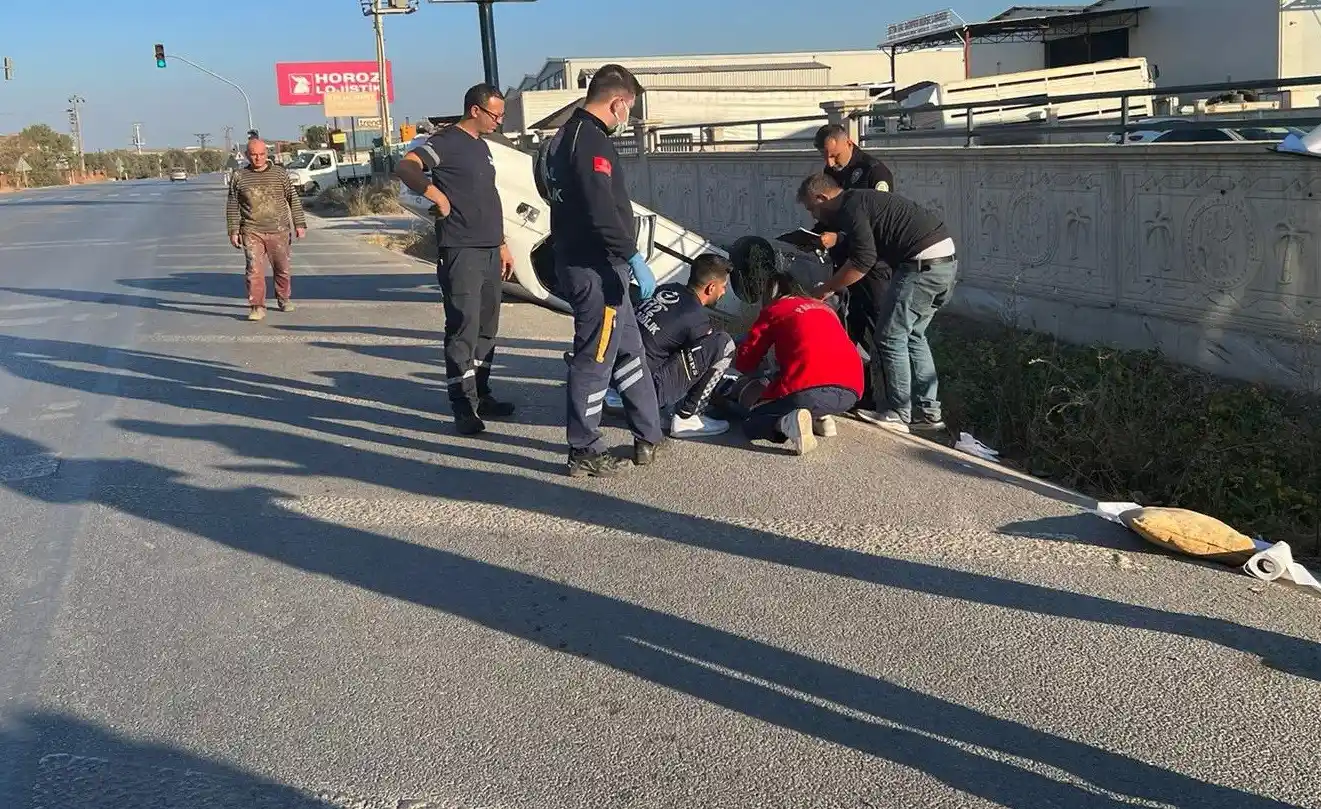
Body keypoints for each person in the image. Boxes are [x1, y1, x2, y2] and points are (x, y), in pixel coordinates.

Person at [539, 63, 664, 477]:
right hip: (595, 267)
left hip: (596, 265)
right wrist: (632, 256)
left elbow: (548, 187)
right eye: (630, 108)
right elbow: (600, 209)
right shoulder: (591, 140)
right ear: (619, 102)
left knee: (629, 351)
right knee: (595, 356)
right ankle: (583, 447)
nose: (628, 118)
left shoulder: (562, 136)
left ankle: (648, 434)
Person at [395, 83, 517, 436]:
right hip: (461, 250)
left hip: (491, 250)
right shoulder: (447, 142)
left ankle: (482, 392)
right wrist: (436, 195)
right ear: (475, 110)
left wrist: (502, 242)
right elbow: (406, 167)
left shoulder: (483, 147)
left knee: (486, 328)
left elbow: (486, 197)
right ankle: (463, 406)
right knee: (463, 327)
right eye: (495, 114)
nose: (499, 120)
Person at [797, 172, 958, 434]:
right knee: (914, 335)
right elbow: (867, 241)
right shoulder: (861, 201)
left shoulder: (852, 207)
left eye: (812, 208)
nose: (813, 216)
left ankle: (898, 413)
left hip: (919, 266)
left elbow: (863, 261)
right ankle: (930, 415)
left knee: (889, 336)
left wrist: (826, 289)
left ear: (821, 197)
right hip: (944, 264)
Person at [810, 124, 895, 411]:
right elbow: (829, 218)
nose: (829, 163)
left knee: (883, 331)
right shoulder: (831, 174)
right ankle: (861, 395)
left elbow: (876, 227)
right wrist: (814, 236)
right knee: (850, 334)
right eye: (825, 157)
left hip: (873, 268)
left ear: (848, 141)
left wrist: (840, 237)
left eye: (833, 155)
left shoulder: (875, 173)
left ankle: (896, 403)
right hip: (845, 266)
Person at [733, 271, 864, 455]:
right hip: (852, 390)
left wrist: (739, 367)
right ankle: (821, 418)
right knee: (802, 372)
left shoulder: (775, 309)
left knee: (752, 423)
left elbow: (747, 359)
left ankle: (787, 422)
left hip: (809, 386)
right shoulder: (825, 309)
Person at [636, 254, 736, 439]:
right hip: (645, 391)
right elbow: (701, 365)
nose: (723, 292)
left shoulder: (666, 289)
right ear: (711, 287)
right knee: (723, 343)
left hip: (618, 375)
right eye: (724, 287)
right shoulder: (697, 317)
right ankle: (688, 417)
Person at [225, 138, 306, 322]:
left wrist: (299, 224)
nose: (258, 158)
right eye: (253, 155)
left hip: (279, 229)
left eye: (261, 154)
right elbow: (232, 204)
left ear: (267, 154)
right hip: (252, 230)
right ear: (247, 155)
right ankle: (257, 306)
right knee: (253, 269)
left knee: (282, 268)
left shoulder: (279, 174)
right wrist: (233, 230)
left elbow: (293, 199)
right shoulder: (239, 177)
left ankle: (283, 298)